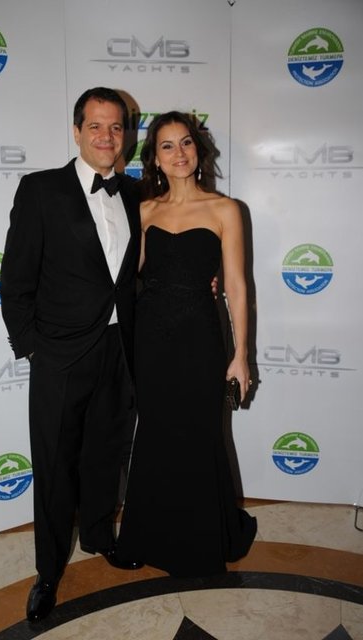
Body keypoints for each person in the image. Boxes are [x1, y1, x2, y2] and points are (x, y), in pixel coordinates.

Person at [0, 87, 144, 623]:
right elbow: (15, 278)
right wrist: (34, 349)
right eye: (96, 126)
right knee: (55, 467)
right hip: (60, 355)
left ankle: (100, 536)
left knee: (106, 453)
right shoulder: (41, 190)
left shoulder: (135, 193)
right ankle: (47, 571)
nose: (107, 136)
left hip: (119, 350)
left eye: (116, 127)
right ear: (77, 130)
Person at [116, 111, 257, 577]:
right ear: (154, 158)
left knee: (200, 435)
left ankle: (201, 543)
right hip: (151, 339)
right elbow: (127, 277)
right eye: (167, 146)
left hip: (201, 337)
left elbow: (236, 285)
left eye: (186, 143)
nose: (179, 153)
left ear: (198, 150)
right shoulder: (144, 211)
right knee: (155, 435)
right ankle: (145, 536)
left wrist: (241, 355)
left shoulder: (225, 209)